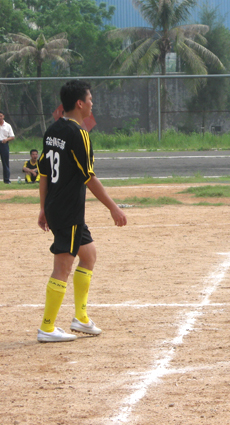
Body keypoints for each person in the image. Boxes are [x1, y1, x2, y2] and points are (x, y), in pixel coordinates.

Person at [36, 80, 127, 343]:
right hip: (68, 210)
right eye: (90, 99)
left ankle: (81, 318)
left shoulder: (52, 130)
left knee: (89, 255)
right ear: (79, 103)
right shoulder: (79, 134)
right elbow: (89, 177)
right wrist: (113, 207)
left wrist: (43, 207)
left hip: (58, 207)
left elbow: (44, 172)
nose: (91, 104)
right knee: (63, 267)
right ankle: (47, 327)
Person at [0, 110, 15, 184]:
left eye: (1, 116)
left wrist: (6, 139)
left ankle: (6, 180)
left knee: (5, 162)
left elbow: (12, 136)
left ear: (3, 116)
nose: (0, 117)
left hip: (4, 144)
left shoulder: (7, 125)